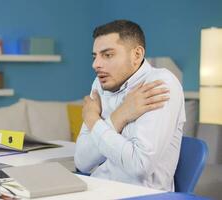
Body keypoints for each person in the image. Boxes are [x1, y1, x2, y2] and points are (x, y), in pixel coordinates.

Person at [74, 20, 186, 191]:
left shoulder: (160, 84)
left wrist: (92, 120)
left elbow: (139, 167)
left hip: (139, 195)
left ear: (137, 55)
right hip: (98, 189)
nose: (95, 64)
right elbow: (82, 161)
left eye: (107, 55)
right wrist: (121, 115)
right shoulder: (100, 83)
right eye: (95, 56)